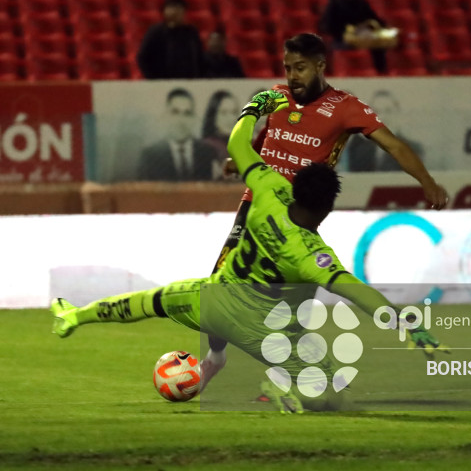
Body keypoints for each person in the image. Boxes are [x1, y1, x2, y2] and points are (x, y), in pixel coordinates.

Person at [51, 96, 447, 413]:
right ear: (326, 210)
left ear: (294, 189)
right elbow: (357, 292)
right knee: (330, 396)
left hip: (214, 299)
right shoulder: (311, 253)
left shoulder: (268, 187)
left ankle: (74, 316)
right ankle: (280, 388)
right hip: (261, 331)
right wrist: (408, 325)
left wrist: (254, 109)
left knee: (147, 301)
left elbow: (238, 144)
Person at [207, 33, 448, 359]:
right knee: (219, 286)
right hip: (255, 204)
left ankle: (299, 371)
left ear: (321, 66)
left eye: (301, 68)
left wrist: (426, 181)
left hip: (299, 215)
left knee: (290, 304)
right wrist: (243, 160)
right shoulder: (275, 98)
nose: (292, 76)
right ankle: (215, 359)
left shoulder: (345, 107)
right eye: (287, 68)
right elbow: (266, 139)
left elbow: (393, 144)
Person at [138, 88, 218, 181]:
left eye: (187, 113)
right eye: (175, 112)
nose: (181, 120)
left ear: (194, 118)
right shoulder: (150, 157)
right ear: (166, 116)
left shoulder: (208, 153)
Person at [319, 0, 388, 74]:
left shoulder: (360, 3)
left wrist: (380, 26)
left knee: (379, 45)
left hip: (360, 37)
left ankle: (380, 73)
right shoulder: (334, 3)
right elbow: (327, 26)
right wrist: (345, 31)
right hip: (341, 38)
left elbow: (373, 18)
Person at [136, 0, 205, 79]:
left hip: (188, 82)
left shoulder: (191, 33)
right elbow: (143, 57)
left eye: (179, 8)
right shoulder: (155, 32)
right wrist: (153, 79)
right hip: (162, 83)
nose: (175, 11)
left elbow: (199, 58)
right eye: (171, 7)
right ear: (165, 11)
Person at [201, 90, 240, 179]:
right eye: (224, 113)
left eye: (234, 112)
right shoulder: (205, 149)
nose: (231, 118)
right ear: (213, 116)